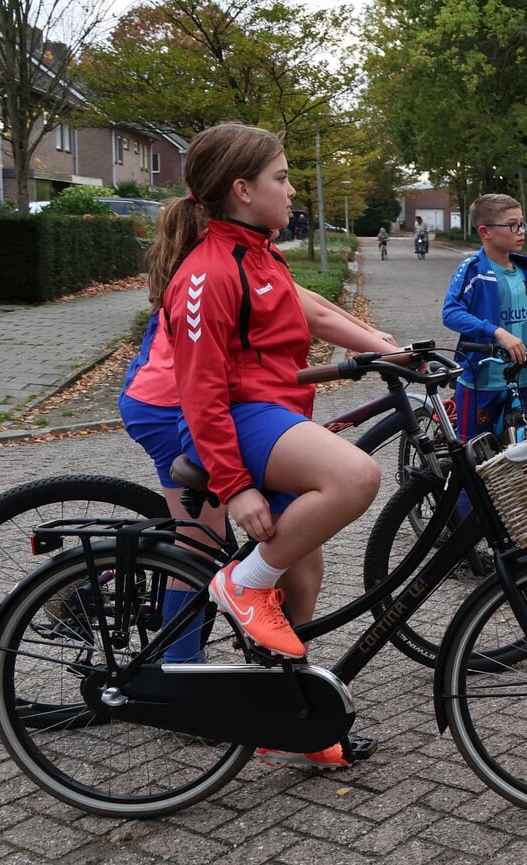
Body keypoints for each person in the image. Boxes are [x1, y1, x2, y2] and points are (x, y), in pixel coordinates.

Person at [155, 125, 384, 675]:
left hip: (274, 418)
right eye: (280, 179)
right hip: (238, 422)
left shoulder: (264, 257)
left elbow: (316, 321)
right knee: (356, 477)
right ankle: (241, 583)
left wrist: (391, 352)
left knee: (304, 578)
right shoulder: (206, 274)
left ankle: (287, 715)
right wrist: (234, 489)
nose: (291, 191)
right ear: (242, 189)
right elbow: (200, 392)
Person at [120, 281, 393, 665]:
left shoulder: (254, 246)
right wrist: (383, 347)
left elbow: (307, 299)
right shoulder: (219, 254)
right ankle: (179, 662)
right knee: (200, 540)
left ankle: (285, 665)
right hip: (171, 404)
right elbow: (310, 312)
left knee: (300, 547)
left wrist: (371, 335)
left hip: (226, 399)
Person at [441, 194, 527, 443]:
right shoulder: (474, 269)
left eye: (522, 223)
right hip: (481, 381)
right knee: (472, 456)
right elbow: (451, 313)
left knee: (512, 453)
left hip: (519, 376)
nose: (521, 231)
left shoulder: (523, 270)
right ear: (485, 231)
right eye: (512, 225)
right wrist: (497, 332)